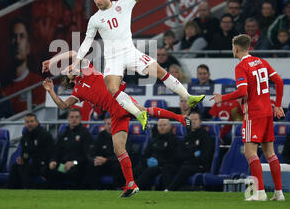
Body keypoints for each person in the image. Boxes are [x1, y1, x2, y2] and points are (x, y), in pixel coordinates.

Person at [68, 0, 204, 130]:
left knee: (160, 71)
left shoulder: (125, 3)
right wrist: (76, 62)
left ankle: (188, 97)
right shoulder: (94, 20)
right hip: (113, 58)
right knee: (112, 88)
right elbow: (87, 41)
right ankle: (139, 114)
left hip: (130, 52)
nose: (97, 1)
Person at [42, 50, 190, 196]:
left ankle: (181, 118)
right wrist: (50, 90)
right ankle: (131, 184)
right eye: (69, 70)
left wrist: (52, 61)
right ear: (69, 78)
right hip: (115, 115)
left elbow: (74, 53)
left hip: (121, 101)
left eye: (72, 66)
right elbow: (63, 106)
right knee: (119, 150)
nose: (72, 68)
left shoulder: (88, 71)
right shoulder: (77, 91)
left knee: (145, 110)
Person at [211, 34, 285, 201]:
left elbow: (243, 92)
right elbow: (279, 81)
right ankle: (279, 193)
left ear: (236, 48)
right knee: (270, 154)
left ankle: (259, 193)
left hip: (253, 114)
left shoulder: (241, 67)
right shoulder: (262, 62)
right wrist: (278, 105)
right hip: (267, 112)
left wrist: (221, 98)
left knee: (250, 153)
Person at [2, 18, 45, 114]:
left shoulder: (38, 84)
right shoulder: (3, 88)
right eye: (14, 36)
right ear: (9, 45)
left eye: (22, 36)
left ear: (28, 47)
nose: (17, 41)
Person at [164, 111, 214, 191]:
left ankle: (170, 190)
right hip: (186, 163)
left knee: (185, 168)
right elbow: (179, 154)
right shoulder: (187, 136)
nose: (193, 122)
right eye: (191, 120)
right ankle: (166, 188)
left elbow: (206, 157)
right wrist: (191, 155)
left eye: (195, 119)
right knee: (168, 167)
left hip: (200, 166)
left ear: (200, 122)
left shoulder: (205, 137)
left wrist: (188, 156)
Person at [44, 109, 93, 190]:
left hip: (78, 165)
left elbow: (88, 155)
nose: (74, 119)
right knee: (48, 169)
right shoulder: (63, 133)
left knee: (74, 171)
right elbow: (56, 150)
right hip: (63, 165)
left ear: (80, 119)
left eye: (76, 117)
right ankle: (54, 194)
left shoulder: (85, 133)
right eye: (72, 117)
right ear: (68, 119)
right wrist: (53, 160)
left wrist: (74, 162)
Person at [7, 113, 54, 189]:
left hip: (44, 164)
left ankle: (28, 189)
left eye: (32, 121)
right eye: (27, 122)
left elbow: (51, 152)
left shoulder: (45, 135)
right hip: (34, 164)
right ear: (25, 124)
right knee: (15, 167)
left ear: (37, 122)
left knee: (24, 169)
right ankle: (10, 190)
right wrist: (22, 159)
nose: (29, 124)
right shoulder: (25, 136)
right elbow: (25, 153)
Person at [134, 118, 180, 190]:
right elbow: (144, 155)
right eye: (160, 125)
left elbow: (174, 157)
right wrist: (147, 161)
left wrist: (159, 162)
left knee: (150, 171)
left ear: (170, 126)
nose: (162, 127)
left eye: (164, 125)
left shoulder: (173, 140)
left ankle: (134, 189)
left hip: (164, 165)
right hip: (151, 164)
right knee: (137, 170)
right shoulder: (153, 140)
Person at [83, 115, 126, 189]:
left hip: (115, 163)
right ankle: (94, 190)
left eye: (112, 123)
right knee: (91, 165)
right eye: (108, 124)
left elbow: (124, 155)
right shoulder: (101, 135)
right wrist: (96, 159)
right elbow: (93, 152)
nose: (110, 126)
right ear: (104, 125)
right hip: (103, 164)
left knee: (118, 167)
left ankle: (117, 189)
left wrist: (107, 160)